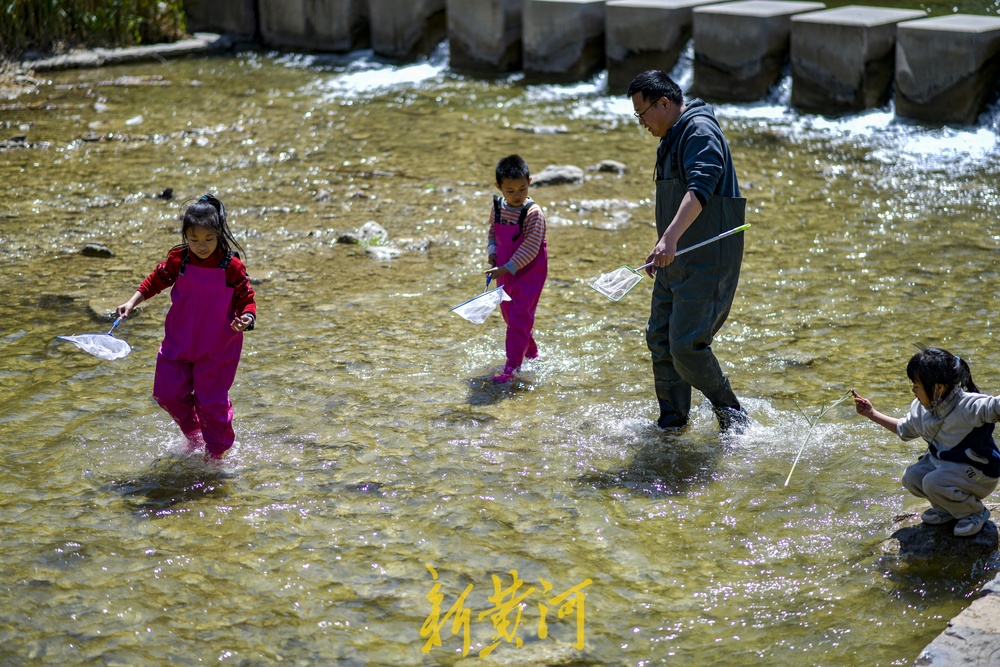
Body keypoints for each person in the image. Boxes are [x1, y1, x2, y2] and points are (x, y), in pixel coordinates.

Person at [625, 70, 748, 432]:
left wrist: (670, 237)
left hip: (708, 260)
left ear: (663, 103)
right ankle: (672, 422)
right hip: (675, 259)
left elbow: (701, 187)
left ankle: (733, 414)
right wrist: (662, 245)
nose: (642, 123)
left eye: (642, 114)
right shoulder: (670, 137)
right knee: (660, 339)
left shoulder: (699, 131)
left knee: (686, 346)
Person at [116, 194, 256, 460]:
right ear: (185, 237)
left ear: (219, 235)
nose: (202, 246)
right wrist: (132, 301)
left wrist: (246, 318)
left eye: (209, 239)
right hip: (178, 343)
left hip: (217, 349)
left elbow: (247, 300)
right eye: (194, 239)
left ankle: (216, 455)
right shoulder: (179, 260)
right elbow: (156, 280)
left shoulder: (231, 266)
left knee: (210, 404)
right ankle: (195, 436)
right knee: (167, 394)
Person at [853, 347, 1000, 537]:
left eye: (917, 385)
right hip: (948, 469)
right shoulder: (921, 409)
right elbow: (903, 429)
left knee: (932, 482)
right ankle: (946, 509)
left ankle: (974, 512)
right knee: (911, 477)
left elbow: (994, 406)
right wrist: (871, 414)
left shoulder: (968, 406)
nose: (913, 390)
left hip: (980, 475)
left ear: (938, 388)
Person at [484, 154, 548, 383]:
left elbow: (530, 248)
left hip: (530, 273)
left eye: (522, 189)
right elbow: (493, 232)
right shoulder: (498, 207)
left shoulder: (533, 213)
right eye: (510, 191)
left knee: (520, 318)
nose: (517, 195)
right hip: (504, 270)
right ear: (498, 187)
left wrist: (505, 268)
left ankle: (511, 368)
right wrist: (492, 252)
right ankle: (532, 353)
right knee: (510, 317)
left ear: (529, 182)